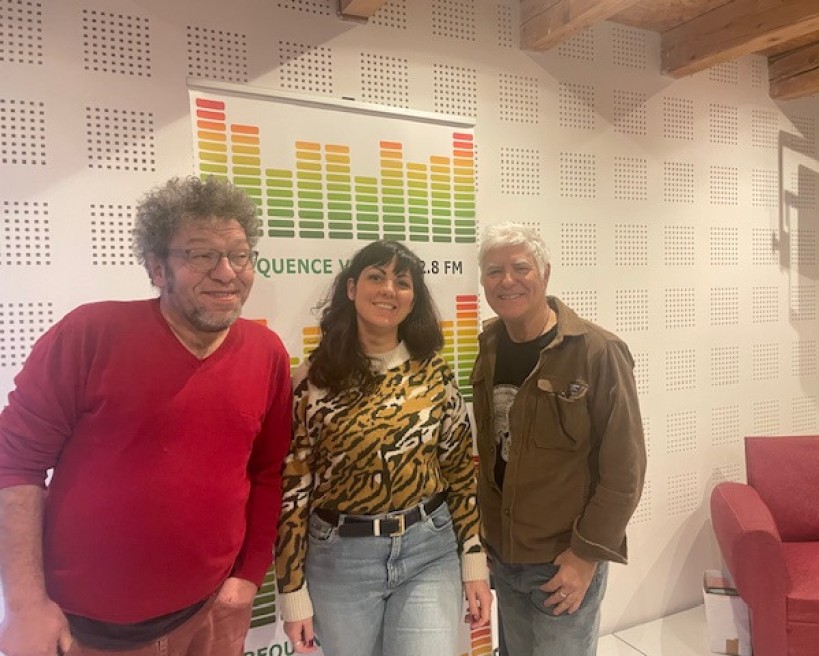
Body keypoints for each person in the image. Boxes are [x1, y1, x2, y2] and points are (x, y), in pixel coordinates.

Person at [0, 176, 293, 656]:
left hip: (209, 616)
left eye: (239, 255)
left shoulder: (267, 353)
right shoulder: (89, 335)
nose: (227, 273)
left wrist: (248, 576)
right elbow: (15, 466)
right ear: (158, 268)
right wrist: (25, 604)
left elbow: (266, 471)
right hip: (85, 632)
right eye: (201, 255)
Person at [275, 240, 491, 656]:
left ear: (413, 299)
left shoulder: (434, 373)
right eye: (376, 277)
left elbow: (461, 472)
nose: (389, 289)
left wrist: (473, 560)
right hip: (340, 560)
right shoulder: (313, 380)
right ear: (351, 289)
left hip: (429, 549)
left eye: (402, 282)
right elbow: (293, 491)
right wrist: (292, 591)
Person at [472, 222, 646, 656]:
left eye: (520, 268)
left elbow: (625, 469)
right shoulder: (489, 345)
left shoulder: (598, 352)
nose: (507, 281)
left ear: (545, 273)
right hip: (504, 555)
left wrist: (585, 556)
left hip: (562, 562)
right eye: (494, 271)